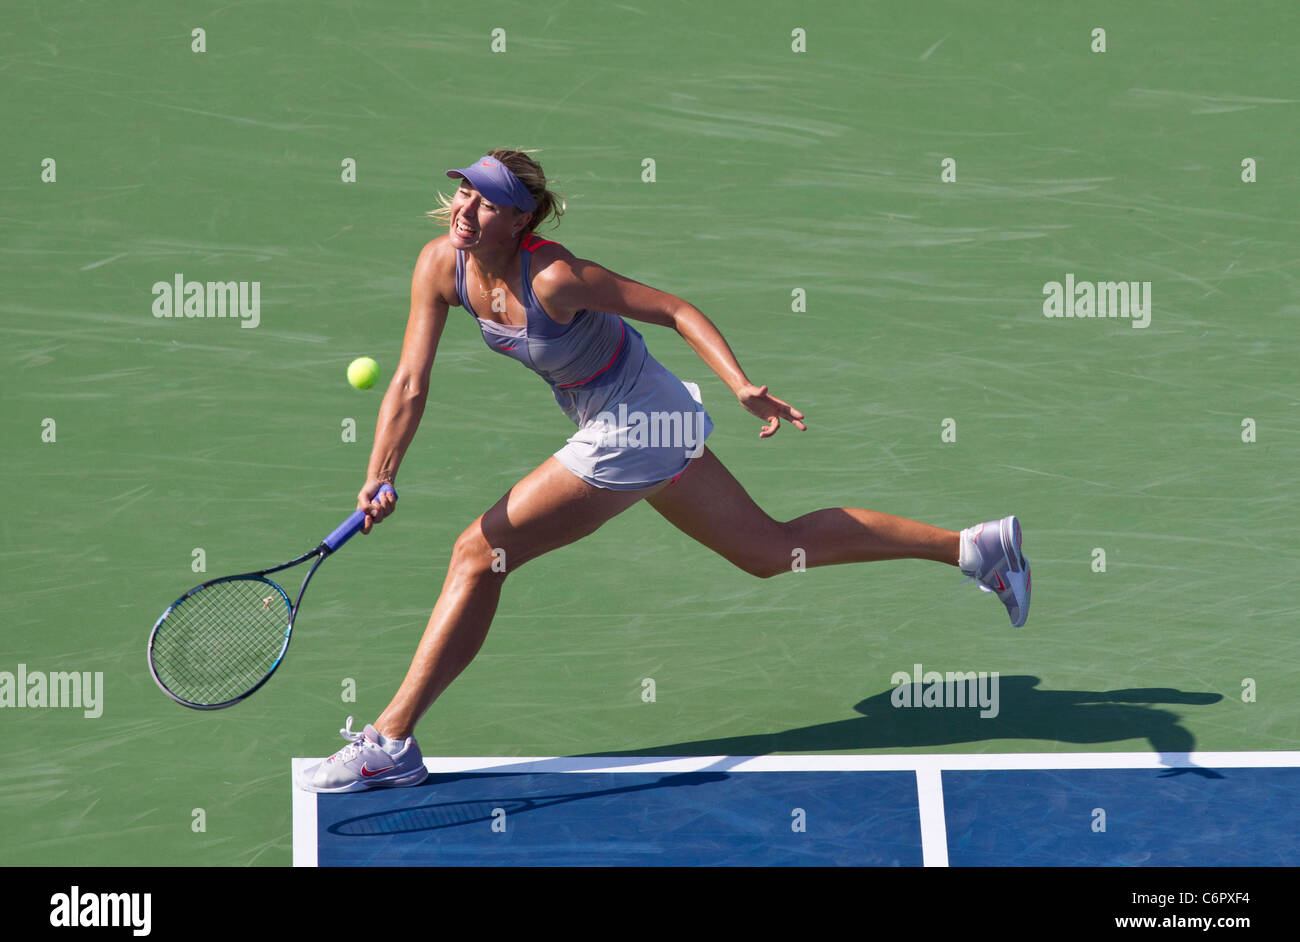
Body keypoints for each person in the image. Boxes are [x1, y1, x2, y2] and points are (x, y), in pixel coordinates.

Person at [296, 150, 1030, 793]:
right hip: (637, 416)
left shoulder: (555, 277)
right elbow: (408, 383)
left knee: (478, 553)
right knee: (769, 552)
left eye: (487, 200)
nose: (466, 207)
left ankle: (390, 742)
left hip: (639, 424)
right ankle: (975, 548)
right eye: (464, 191)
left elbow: (676, 310)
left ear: (520, 221)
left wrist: (740, 384)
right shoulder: (439, 265)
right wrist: (379, 472)